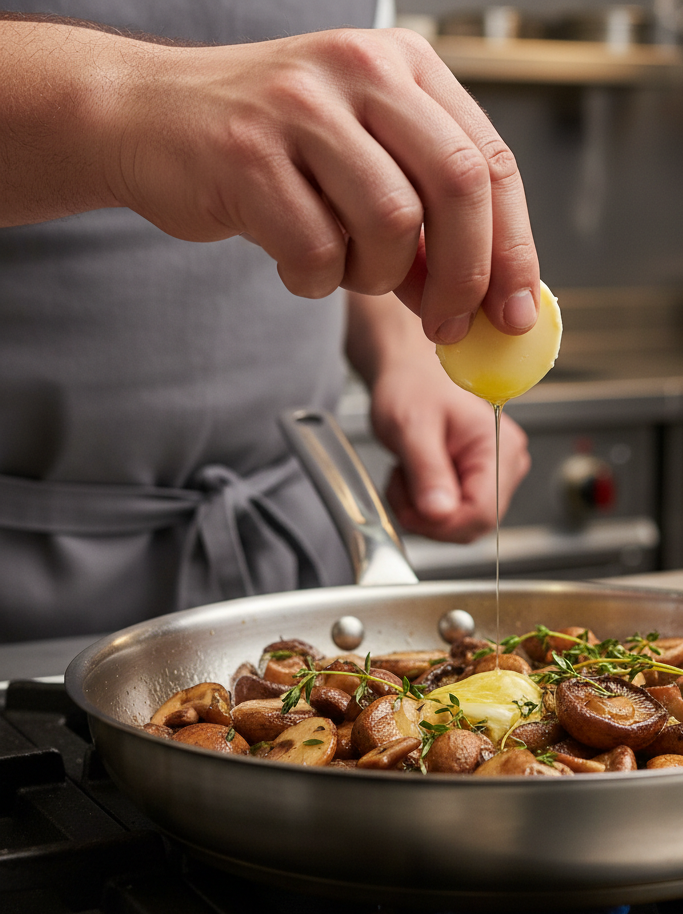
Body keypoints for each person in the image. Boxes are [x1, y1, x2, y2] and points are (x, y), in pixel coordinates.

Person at [0, 2, 537, 641]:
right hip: (21, 570)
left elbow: (339, 184)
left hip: (293, 548)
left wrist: (409, 350)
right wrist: (140, 101)